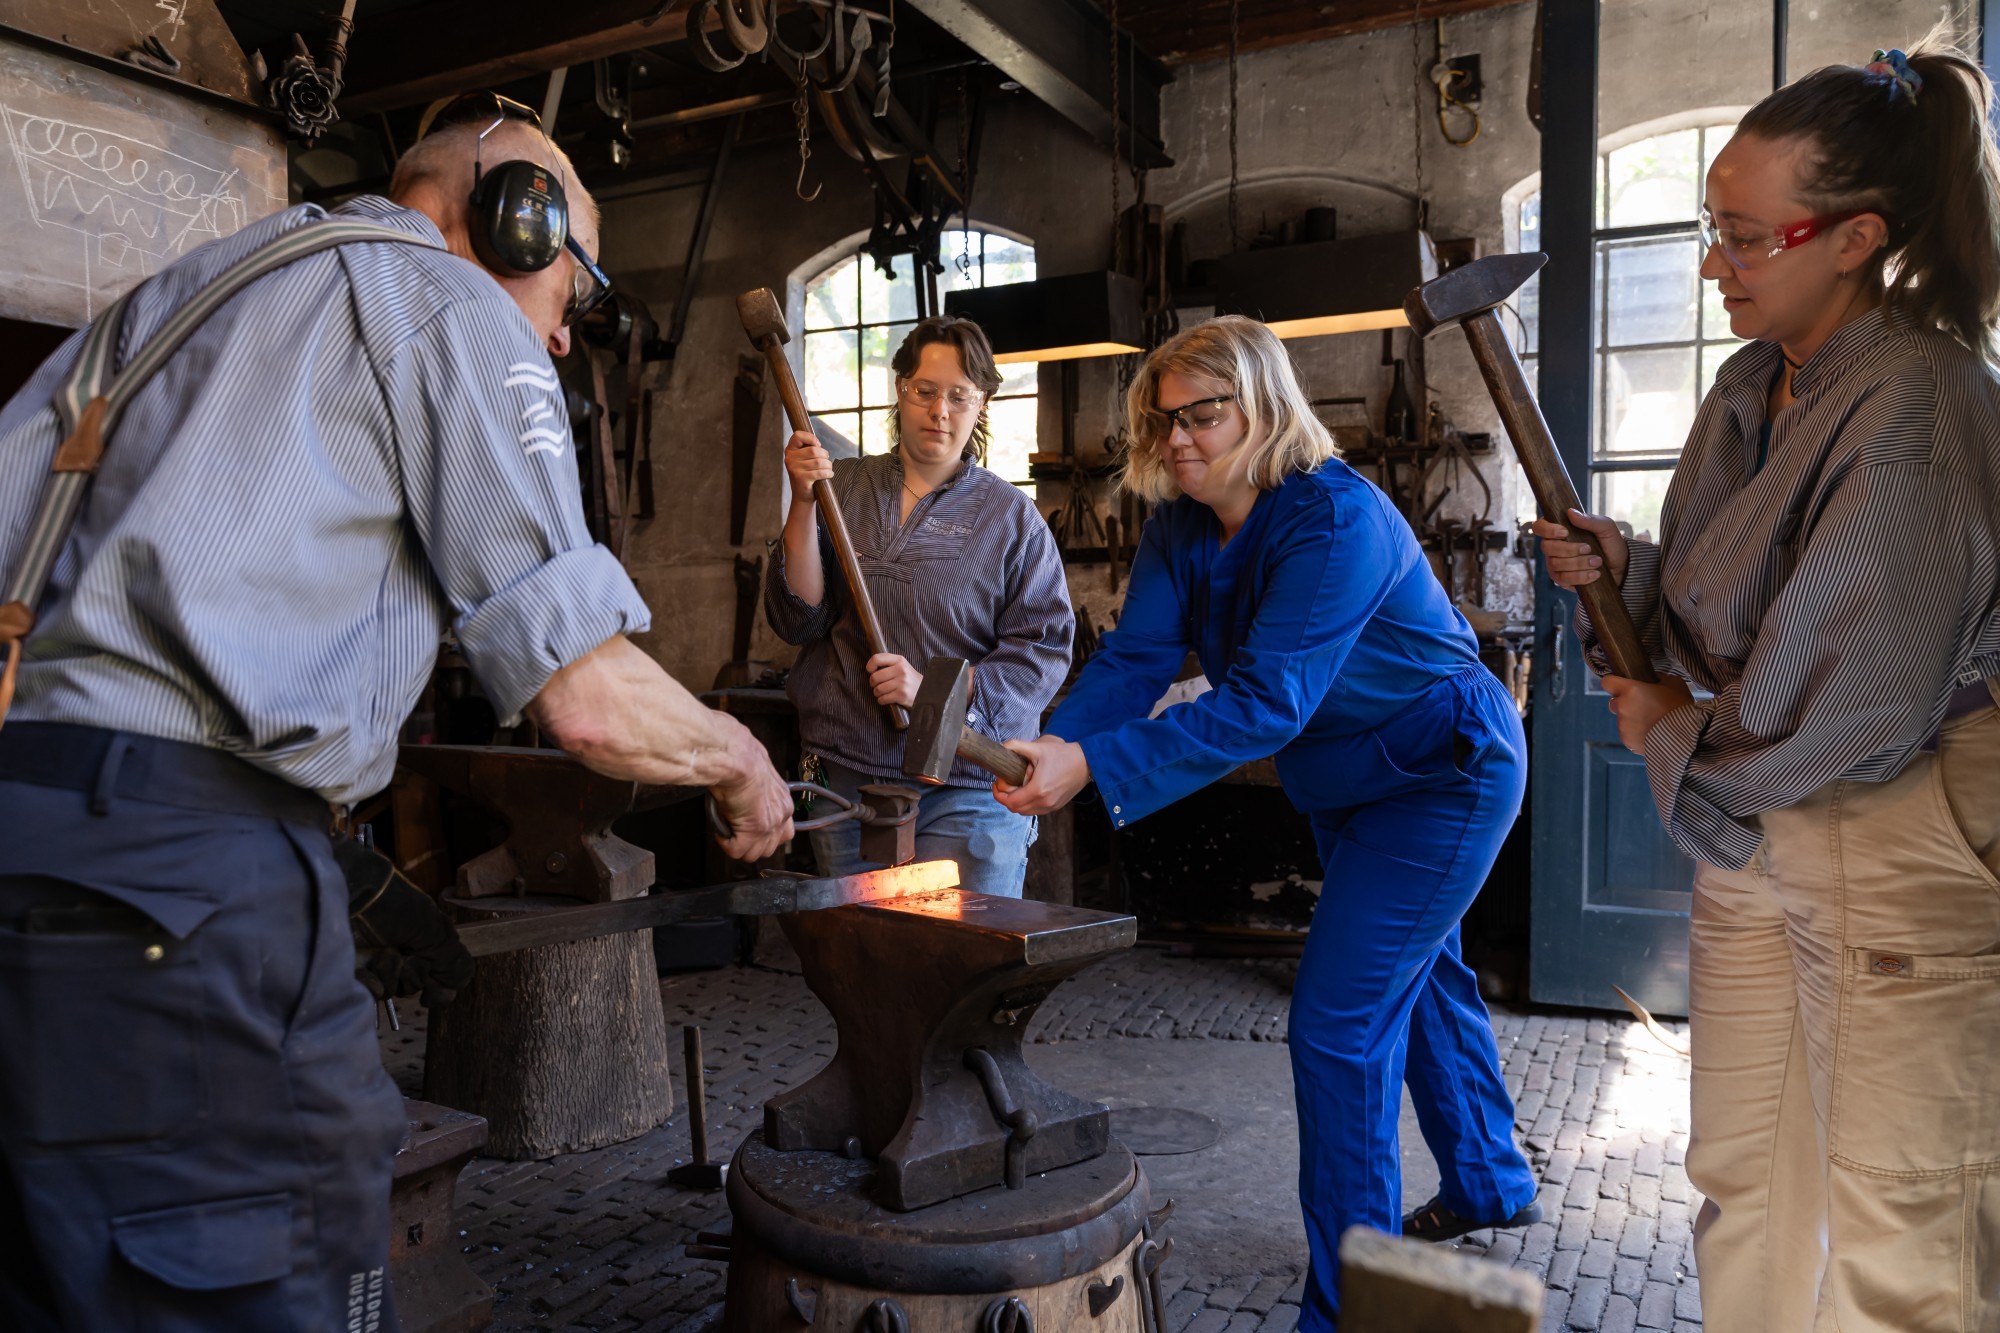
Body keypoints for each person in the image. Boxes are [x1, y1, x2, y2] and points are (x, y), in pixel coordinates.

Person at [0, 94, 792, 1331]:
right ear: (517, 219)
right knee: (260, 1276)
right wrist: (742, 763)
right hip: (188, 892)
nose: (568, 339)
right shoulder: (449, 305)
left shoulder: (171, 305)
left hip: (30, 842)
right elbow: (583, 695)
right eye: (573, 291)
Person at [1533, 42, 2000, 1333]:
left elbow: (1856, 692)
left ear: (1855, 236)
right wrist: (1624, 571)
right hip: (1760, 831)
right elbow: (1719, 603)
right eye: (1711, 229)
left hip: (1888, 815)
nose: (1712, 263)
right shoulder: (1755, 387)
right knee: (1746, 1174)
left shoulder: (1919, 398)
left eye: (1746, 236)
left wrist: (1678, 729)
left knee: (1898, 1216)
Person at [996, 316, 1539, 1328]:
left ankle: (1353, 1306)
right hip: (1346, 782)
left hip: (1441, 776)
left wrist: (1093, 764)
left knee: (1336, 1026)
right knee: (1420, 979)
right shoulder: (1176, 522)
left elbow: (1264, 702)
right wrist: (1054, 748)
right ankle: (1489, 1180)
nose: (1178, 440)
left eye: (1203, 414)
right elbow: (1135, 661)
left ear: (1264, 406)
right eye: (1161, 422)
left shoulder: (1334, 521)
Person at [765, 315, 1071, 896]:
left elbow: (1043, 650)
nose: (940, 413)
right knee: (864, 960)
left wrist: (936, 692)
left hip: (968, 786)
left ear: (981, 404)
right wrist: (803, 503)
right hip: (849, 785)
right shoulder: (842, 488)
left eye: (959, 396)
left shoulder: (1012, 519)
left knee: (970, 958)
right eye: (925, 391)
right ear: (900, 389)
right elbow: (797, 618)